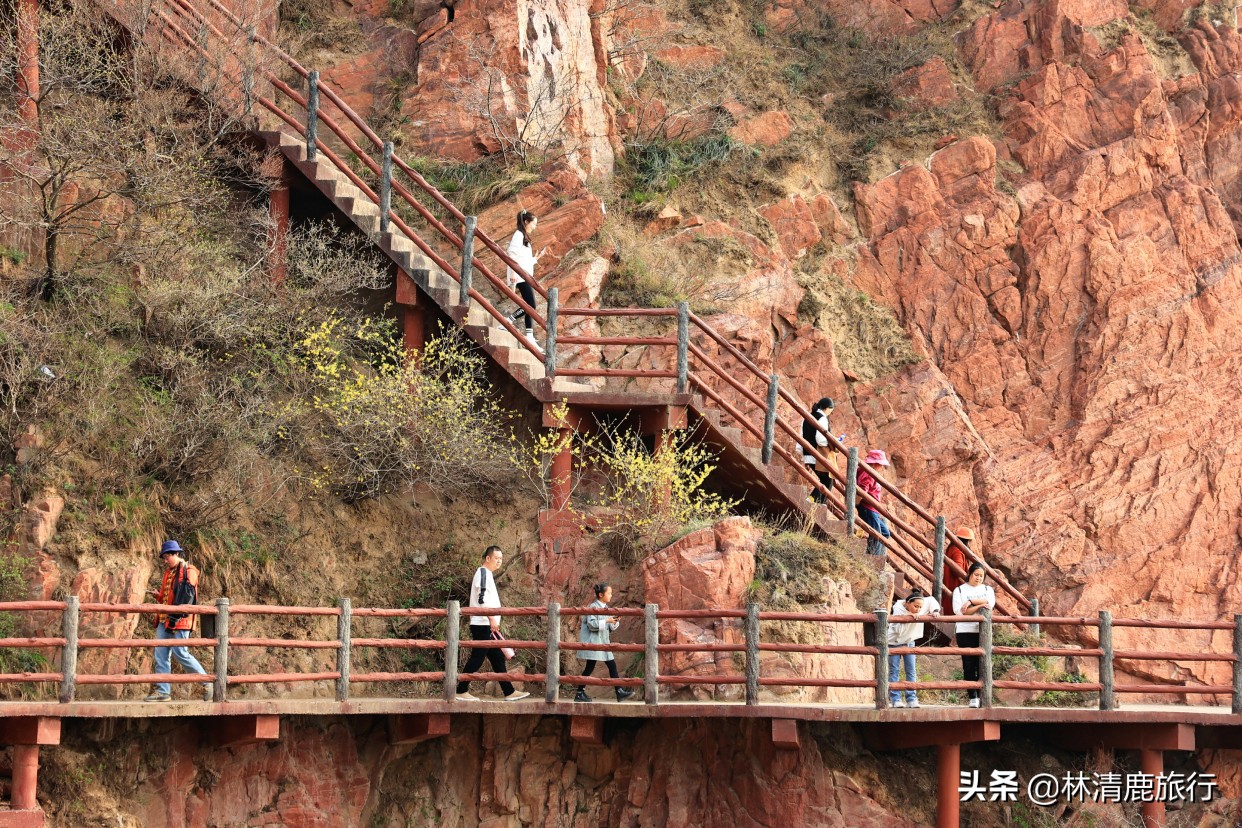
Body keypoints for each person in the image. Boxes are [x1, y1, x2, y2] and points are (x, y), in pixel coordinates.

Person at [456, 545, 530, 702]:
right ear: (488, 558)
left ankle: (509, 692)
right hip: (482, 623)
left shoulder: (488, 574)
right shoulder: (482, 573)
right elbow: (481, 599)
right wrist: (491, 618)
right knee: (477, 657)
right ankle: (460, 690)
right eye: (496, 558)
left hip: (487, 623)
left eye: (501, 559)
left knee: (497, 658)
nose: (499, 561)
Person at [144, 540, 211, 702]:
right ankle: (163, 691)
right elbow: (169, 596)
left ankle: (207, 682)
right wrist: (158, 595)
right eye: (164, 557)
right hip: (164, 618)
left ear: (176, 554)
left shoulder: (189, 571)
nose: (165, 560)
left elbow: (186, 597)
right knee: (161, 654)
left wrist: (177, 613)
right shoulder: (169, 572)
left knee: (180, 652)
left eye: (167, 557)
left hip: (181, 619)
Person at [574, 583, 635, 703]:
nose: (611, 595)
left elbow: (609, 627)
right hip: (594, 642)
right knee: (591, 667)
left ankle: (618, 691)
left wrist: (615, 621)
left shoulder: (606, 608)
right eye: (609, 593)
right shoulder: (593, 607)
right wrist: (606, 620)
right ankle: (580, 693)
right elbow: (592, 625)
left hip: (603, 642)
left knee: (608, 665)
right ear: (601, 594)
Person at [887, 587, 940, 709]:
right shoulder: (898, 608)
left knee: (911, 670)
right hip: (894, 642)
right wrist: (908, 616)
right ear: (908, 603)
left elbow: (931, 600)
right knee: (894, 670)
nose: (919, 609)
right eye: (916, 606)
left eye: (920, 607)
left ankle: (911, 698)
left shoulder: (921, 603)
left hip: (910, 641)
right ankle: (896, 699)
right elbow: (898, 630)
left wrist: (935, 610)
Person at [952, 563, 996, 708]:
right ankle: (972, 697)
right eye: (976, 574)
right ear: (970, 574)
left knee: (982, 664)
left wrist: (971, 602)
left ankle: (982, 694)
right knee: (969, 664)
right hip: (965, 631)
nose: (978, 578)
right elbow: (960, 611)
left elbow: (990, 603)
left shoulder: (987, 589)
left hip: (982, 632)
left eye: (981, 576)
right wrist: (979, 606)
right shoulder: (959, 590)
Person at [505, 210, 547, 349]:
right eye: (533, 223)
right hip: (520, 276)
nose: (535, 226)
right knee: (531, 306)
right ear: (526, 222)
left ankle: (529, 336)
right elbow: (511, 254)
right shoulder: (518, 235)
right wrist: (512, 274)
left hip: (525, 275)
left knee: (530, 306)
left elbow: (524, 260)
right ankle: (508, 321)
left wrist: (537, 258)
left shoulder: (523, 236)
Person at [856, 449, 893, 556]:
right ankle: (872, 557)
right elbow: (863, 489)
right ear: (875, 463)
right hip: (868, 508)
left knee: (885, 533)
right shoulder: (868, 472)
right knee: (876, 534)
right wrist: (857, 503)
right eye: (880, 464)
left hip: (872, 509)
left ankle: (873, 555)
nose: (881, 467)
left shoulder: (869, 471)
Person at [801, 397, 835, 504]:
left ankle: (814, 502)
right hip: (817, 455)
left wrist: (804, 456)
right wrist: (831, 443)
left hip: (807, 454)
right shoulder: (822, 418)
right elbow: (820, 440)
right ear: (827, 408)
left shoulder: (807, 417)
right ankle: (815, 504)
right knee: (828, 480)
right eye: (831, 410)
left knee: (824, 480)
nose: (830, 413)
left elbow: (801, 437)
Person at [943, 526, 973, 596]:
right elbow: (958, 571)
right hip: (955, 585)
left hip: (951, 583)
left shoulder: (952, 548)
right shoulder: (958, 551)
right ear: (967, 541)